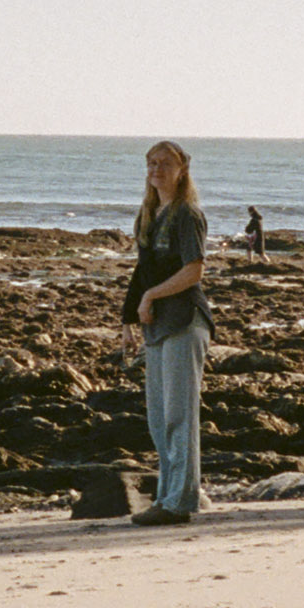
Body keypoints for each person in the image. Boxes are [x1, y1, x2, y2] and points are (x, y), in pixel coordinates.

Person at [121, 140, 211, 525]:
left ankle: (180, 502)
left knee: (179, 415)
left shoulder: (186, 214)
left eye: (164, 163)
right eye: (151, 163)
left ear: (181, 169)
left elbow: (194, 270)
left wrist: (152, 297)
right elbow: (143, 273)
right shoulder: (149, 213)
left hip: (184, 322)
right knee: (159, 419)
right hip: (155, 326)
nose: (156, 169)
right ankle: (168, 496)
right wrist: (128, 318)